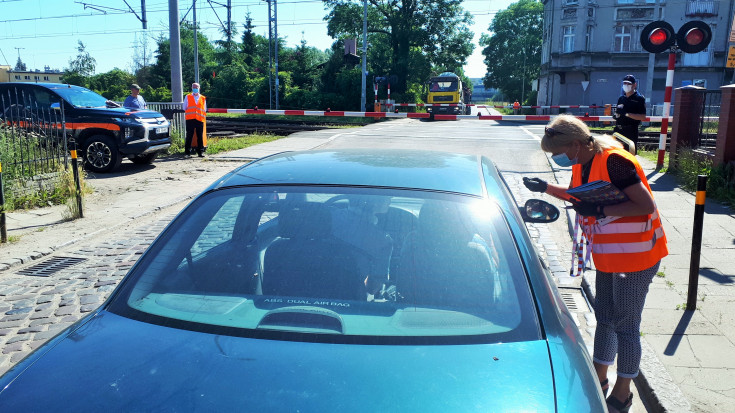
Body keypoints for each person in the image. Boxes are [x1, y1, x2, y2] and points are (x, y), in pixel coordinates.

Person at [523, 114, 668, 413]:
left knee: (626, 325)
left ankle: (623, 389)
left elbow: (645, 204)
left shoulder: (615, 161)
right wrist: (546, 188)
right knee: (605, 317)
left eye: (559, 153)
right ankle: (599, 376)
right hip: (610, 255)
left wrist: (599, 207)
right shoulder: (583, 162)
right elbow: (580, 197)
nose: (559, 158)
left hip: (636, 256)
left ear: (576, 144)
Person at [613, 75, 646, 153]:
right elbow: (619, 112)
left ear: (634, 85)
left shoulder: (639, 99)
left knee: (629, 154)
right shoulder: (621, 98)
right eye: (624, 83)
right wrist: (616, 116)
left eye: (629, 84)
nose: (626, 85)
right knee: (617, 154)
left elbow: (642, 117)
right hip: (618, 130)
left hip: (630, 131)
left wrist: (626, 114)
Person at [183, 82, 207, 157]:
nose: (195, 89)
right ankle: (187, 153)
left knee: (200, 136)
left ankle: (200, 152)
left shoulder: (203, 98)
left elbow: (204, 109)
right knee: (189, 136)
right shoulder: (188, 96)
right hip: (190, 119)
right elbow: (184, 107)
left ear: (199, 88)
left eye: (196, 87)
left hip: (199, 119)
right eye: (194, 87)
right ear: (192, 88)